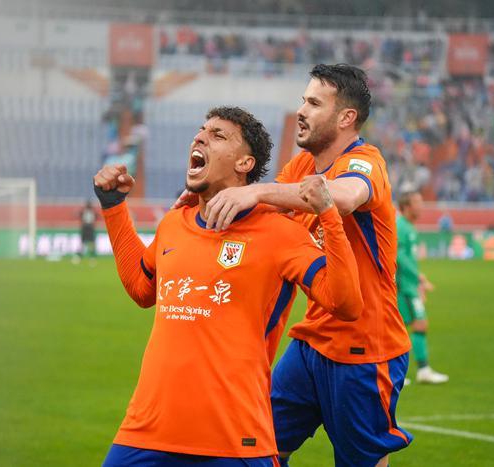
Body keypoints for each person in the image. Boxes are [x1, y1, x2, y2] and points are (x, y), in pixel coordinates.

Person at [94, 106, 363, 467]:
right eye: (201, 130)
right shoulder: (174, 223)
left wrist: (328, 214)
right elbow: (142, 289)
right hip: (146, 432)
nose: (200, 137)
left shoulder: (281, 234)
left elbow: (346, 303)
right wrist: (113, 207)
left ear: (244, 163)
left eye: (218, 135)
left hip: (235, 441)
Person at [178, 64, 413, 466]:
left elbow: (343, 197)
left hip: (365, 350)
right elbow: (264, 210)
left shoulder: (366, 161)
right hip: (310, 341)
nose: (301, 110)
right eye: (303, 101)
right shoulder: (302, 166)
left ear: (346, 118)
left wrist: (257, 192)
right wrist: (206, 195)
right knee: (257, 447)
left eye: (314, 103)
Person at [396, 191, 448, 384]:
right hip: (404, 287)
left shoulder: (408, 226)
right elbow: (398, 256)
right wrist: (418, 279)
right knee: (413, 325)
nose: (421, 206)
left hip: (409, 285)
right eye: (417, 202)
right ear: (406, 206)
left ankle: (411, 371)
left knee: (406, 326)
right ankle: (414, 371)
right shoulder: (401, 226)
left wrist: (418, 279)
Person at [74, 200, 96, 265]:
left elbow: (80, 217)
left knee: (84, 243)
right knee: (89, 243)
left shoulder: (85, 212)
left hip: (86, 228)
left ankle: (80, 257)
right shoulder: (91, 212)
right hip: (89, 228)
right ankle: (91, 257)